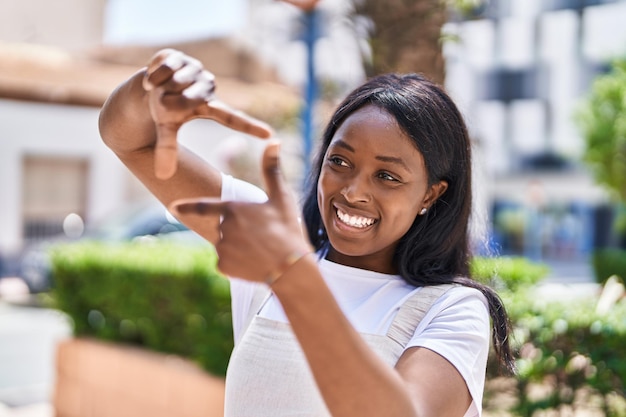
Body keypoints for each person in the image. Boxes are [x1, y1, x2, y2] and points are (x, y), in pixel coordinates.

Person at [99, 48, 515, 417]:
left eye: (387, 176)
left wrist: (294, 277)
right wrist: (150, 87)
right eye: (341, 162)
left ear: (431, 194)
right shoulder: (274, 237)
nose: (353, 192)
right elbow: (130, 139)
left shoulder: (451, 310)